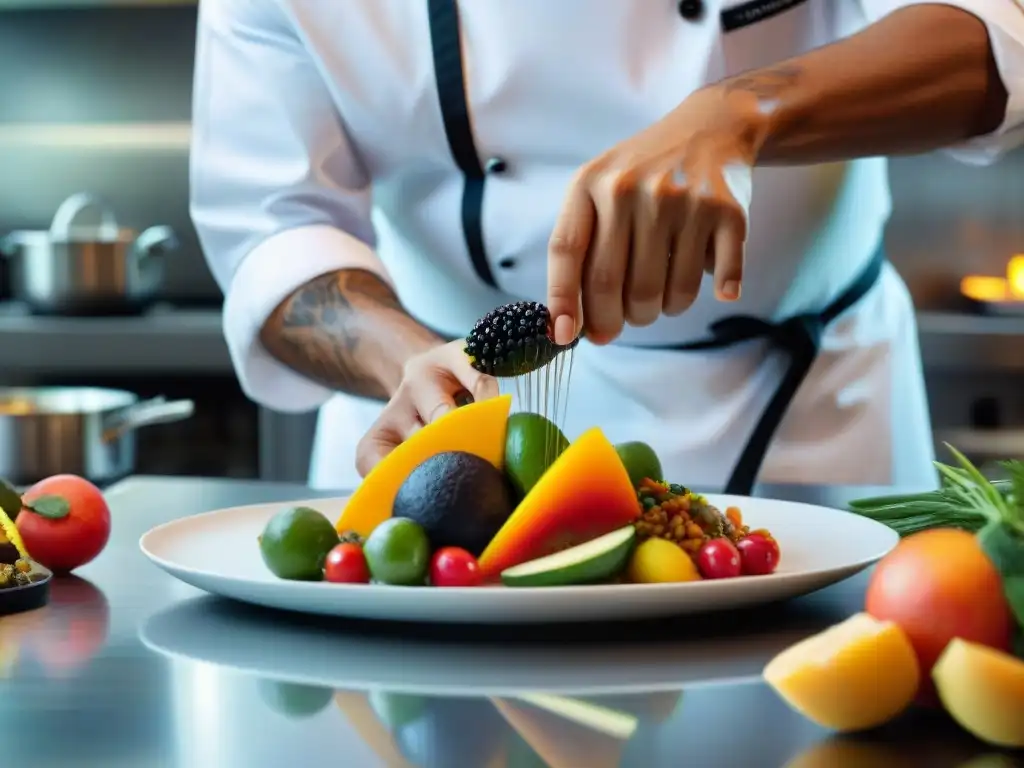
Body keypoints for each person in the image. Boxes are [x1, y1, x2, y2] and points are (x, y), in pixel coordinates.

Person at [191, 0, 1023, 493]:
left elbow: (997, 33)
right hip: (439, 434)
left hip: (805, 416)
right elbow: (275, 230)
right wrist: (413, 369)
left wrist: (742, 114)